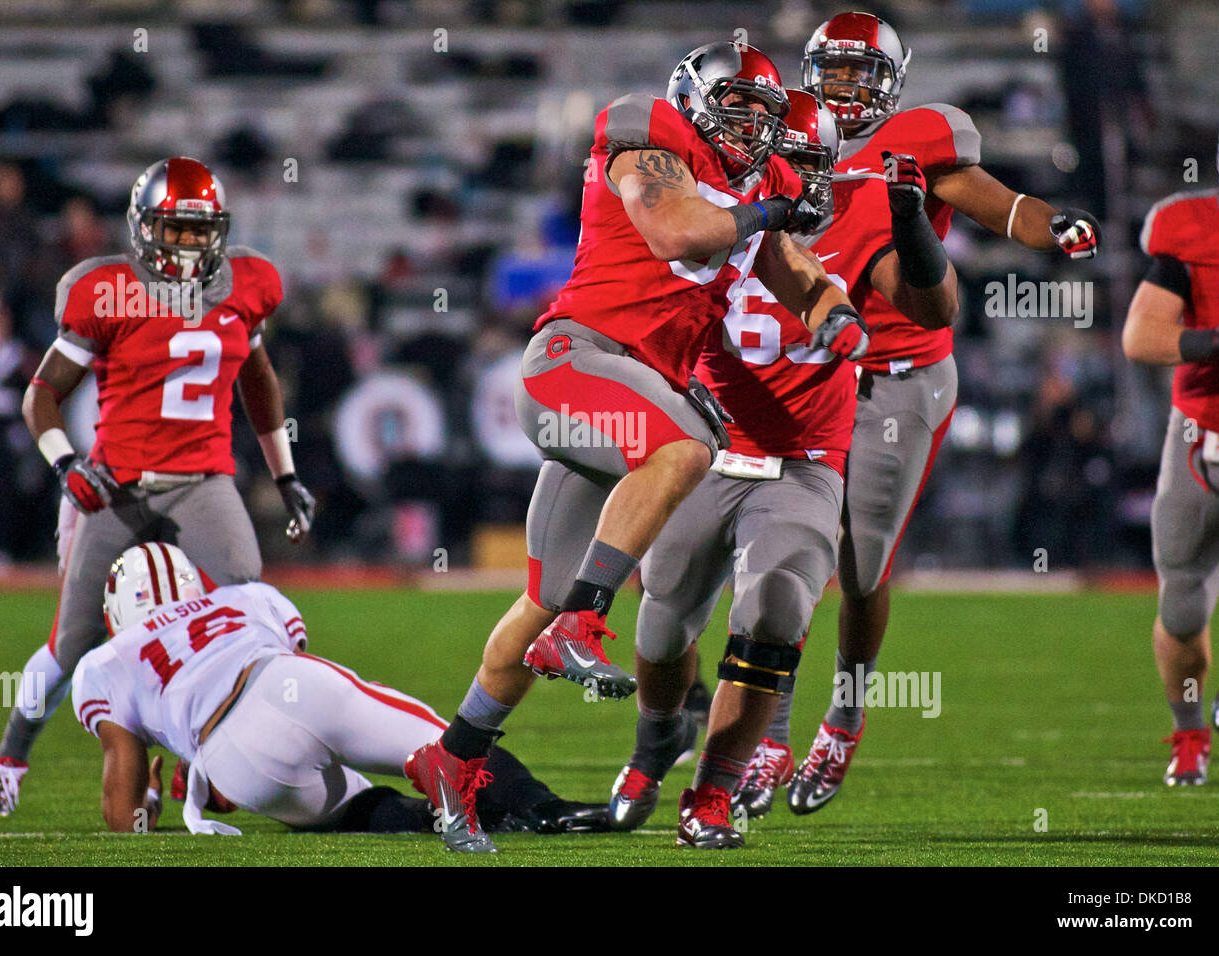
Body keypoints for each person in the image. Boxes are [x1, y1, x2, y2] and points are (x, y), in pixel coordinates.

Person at [404, 41, 867, 852]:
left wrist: (833, 311)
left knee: (538, 597)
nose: (750, 123)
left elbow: (792, 267)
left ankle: (457, 753)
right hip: (578, 360)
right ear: (691, 99)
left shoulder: (765, 187)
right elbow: (681, 233)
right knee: (689, 449)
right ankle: (586, 621)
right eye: (736, 104)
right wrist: (767, 211)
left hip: (630, 396)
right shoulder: (645, 129)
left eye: (764, 113)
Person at [737, 11, 1103, 817]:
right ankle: (767, 734)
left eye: (858, 75)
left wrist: (1056, 228)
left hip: (895, 379)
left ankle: (846, 713)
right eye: (831, 71)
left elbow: (1000, 205)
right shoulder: (780, 140)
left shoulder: (917, 139)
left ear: (891, 84)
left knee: (860, 565)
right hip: (800, 373)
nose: (842, 88)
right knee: (786, 554)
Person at [610, 90, 959, 846]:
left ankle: (713, 791)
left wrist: (908, 225)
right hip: (711, 454)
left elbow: (933, 308)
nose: (803, 179)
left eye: (816, 164)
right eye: (788, 163)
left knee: (775, 608)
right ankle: (654, 741)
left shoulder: (854, 227)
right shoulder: (715, 223)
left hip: (806, 464)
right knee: (664, 624)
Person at [0, 157, 316, 817]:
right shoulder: (105, 292)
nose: (189, 246)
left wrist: (285, 472)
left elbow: (258, 381)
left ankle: (219, 755)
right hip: (118, 485)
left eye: (200, 231)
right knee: (72, 643)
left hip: (202, 482)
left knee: (250, 609)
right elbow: (41, 395)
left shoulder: (245, 285)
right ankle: (8, 760)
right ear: (144, 228)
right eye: (176, 230)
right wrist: (67, 464)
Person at [71, 543, 606, 840]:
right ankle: (544, 808)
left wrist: (152, 798)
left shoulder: (107, 662)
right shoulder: (244, 597)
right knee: (449, 743)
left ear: (118, 611)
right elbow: (297, 661)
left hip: (234, 759)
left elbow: (125, 823)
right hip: (283, 683)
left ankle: (448, 819)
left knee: (352, 808)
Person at [1121, 104, 1219, 786]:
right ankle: (1190, 732)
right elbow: (1141, 338)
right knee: (1182, 607)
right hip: (1198, 436)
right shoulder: (1188, 228)